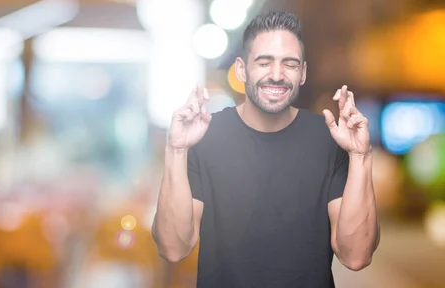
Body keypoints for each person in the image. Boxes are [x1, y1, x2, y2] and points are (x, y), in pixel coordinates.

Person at [151, 11, 380, 288]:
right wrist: (175, 150)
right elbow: (173, 248)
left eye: (290, 64)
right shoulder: (206, 136)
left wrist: (360, 156)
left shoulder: (329, 140)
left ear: (303, 72)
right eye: (264, 62)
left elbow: (356, 256)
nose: (276, 75)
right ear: (241, 69)